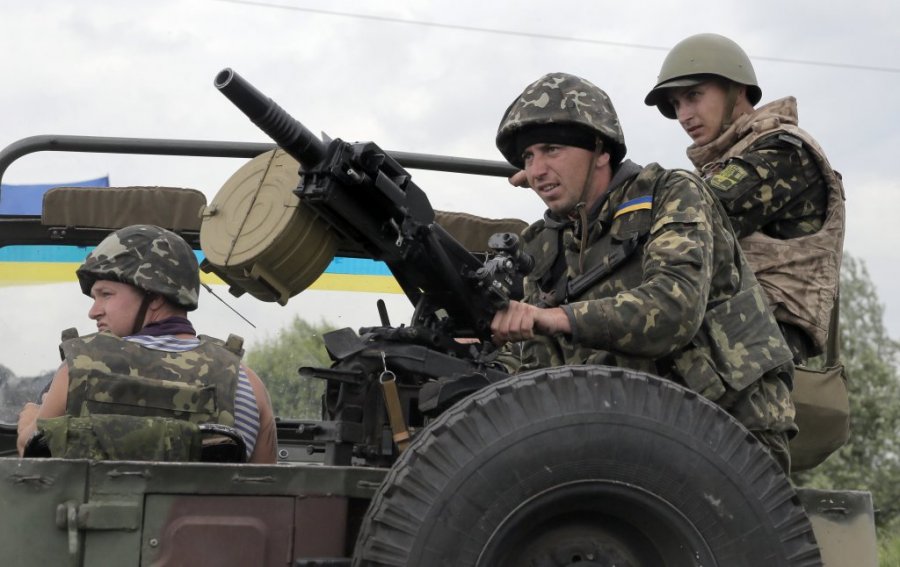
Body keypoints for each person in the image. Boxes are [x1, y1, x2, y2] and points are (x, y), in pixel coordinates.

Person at [491, 72, 797, 473]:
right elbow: (537, 367)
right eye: (528, 158)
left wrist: (555, 317)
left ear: (601, 150)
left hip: (726, 431)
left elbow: (673, 307)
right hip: (628, 435)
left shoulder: (671, 194)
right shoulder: (544, 243)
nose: (538, 170)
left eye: (552, 149)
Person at [643, 33, 845, 365]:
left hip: (764, 339)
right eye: (677, 104)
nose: (684, 115)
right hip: (729, 329)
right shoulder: (723, 163)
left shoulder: (782, 151)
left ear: (736, 89)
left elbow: (699, 211)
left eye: (693, 96)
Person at [16, 224, 277, 464]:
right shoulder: (246, 383)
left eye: (106, 294)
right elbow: (267, 488)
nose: (93, 312)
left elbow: (32, 460)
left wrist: (29, 419)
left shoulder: (77, 370)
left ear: (155, 297)